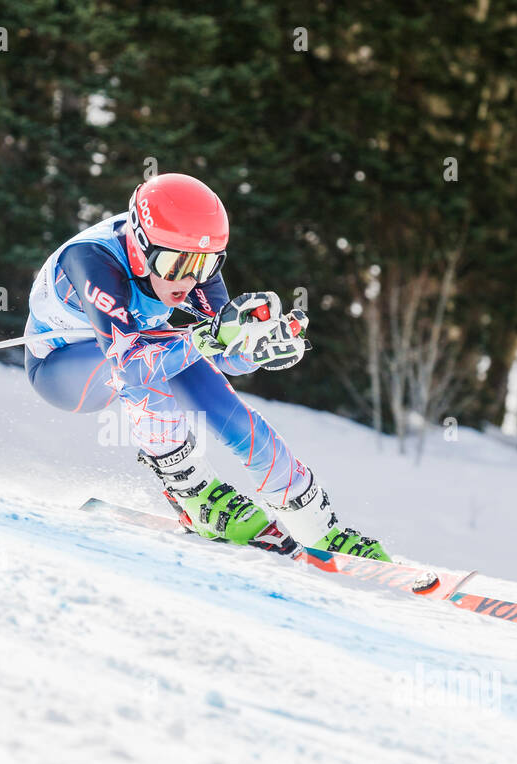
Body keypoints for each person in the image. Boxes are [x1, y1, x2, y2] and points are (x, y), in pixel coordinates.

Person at [23, 172, 390, 561]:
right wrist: (205, 338)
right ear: (140, 247)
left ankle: (319, 529)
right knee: (147, 372)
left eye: (204, 264)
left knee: (228, 409)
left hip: (145, 347)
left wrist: (258, 349)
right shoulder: (93, 261)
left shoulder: (195, 265)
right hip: (62, 368)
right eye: (174, 264)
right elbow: (131, 367)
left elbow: (222, 354)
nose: (188, 279)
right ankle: (192, 493)